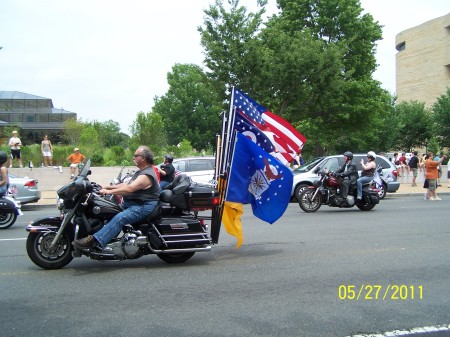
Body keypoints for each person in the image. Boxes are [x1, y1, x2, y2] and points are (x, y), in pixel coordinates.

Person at [72, 146, 160, 250]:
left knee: (120, 218)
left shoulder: (146, 175)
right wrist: (104, 187)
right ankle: (107, 238)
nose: (133, 158)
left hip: (143, 205)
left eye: (135, 156)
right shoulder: (140, 172)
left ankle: (95, 240)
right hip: (133, 204)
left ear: (143, 158)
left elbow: (129, 189)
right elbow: (124, 185)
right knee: (110, 210)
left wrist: (108, 192)